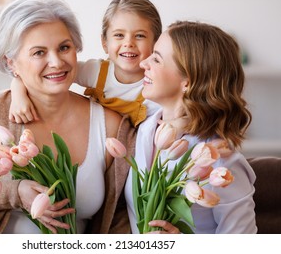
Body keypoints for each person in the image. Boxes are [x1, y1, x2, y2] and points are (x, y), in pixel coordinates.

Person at [0, 0, 134, 234]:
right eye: (39, 53)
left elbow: (121, 214)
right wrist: (11, 193)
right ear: (11, 63)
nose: (56, 62)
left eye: (64, 47)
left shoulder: (110, 126)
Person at [93, 21, 257, 234]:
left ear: (187, 81)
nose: (144, 63)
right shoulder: (145, 126)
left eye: (157, 59)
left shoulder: (222, 162)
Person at [9, 0, 162, 127]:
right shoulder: (96, 72)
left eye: (140, 36)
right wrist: (18, 95)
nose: (129, 43)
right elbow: (47, 74)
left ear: (156, 43)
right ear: (105, 43)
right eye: (119, 35)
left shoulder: (158, 81)